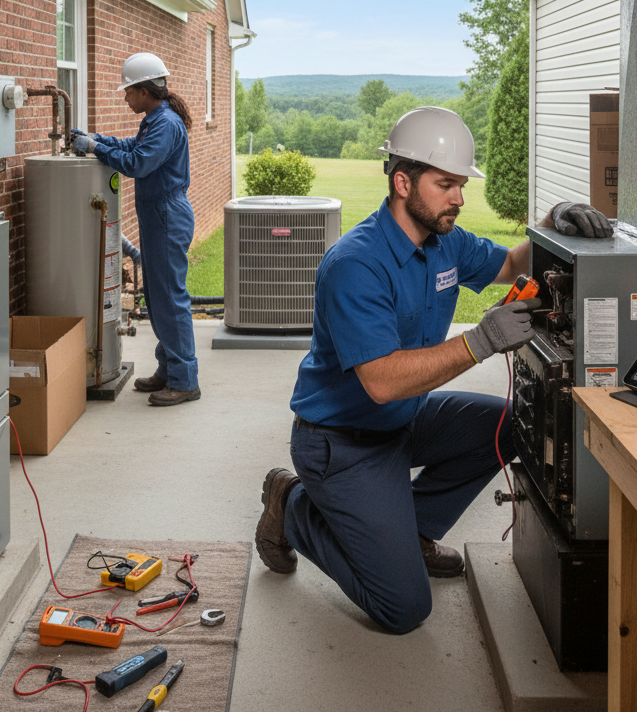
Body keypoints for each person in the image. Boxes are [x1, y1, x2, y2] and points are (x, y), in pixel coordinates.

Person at [253, 106, 612, 633]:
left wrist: (553, 217)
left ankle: (410, 531)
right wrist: (481, 340)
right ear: (403, 181)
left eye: (461, 185)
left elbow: (513, 265)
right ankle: (293, 505)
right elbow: (381, 382)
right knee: (403, 609)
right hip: (342, 442)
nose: (459, 199)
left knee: (517, 423)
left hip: (407, 419)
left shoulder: (444, 242)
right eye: (446, 184)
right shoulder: (356, 264)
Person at [71, 52, 201, 407]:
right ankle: (170, 368)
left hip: (166, 216)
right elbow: (131, 147)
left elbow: (139, 163)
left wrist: (96, 149)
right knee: (159, 299)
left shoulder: (166, 123)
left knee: (170, 299)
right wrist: (98, 139)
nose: (125, 97)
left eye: (128, 92)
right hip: (158, 215)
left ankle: (185, 380)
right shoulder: (154, 118)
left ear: (144, 91)